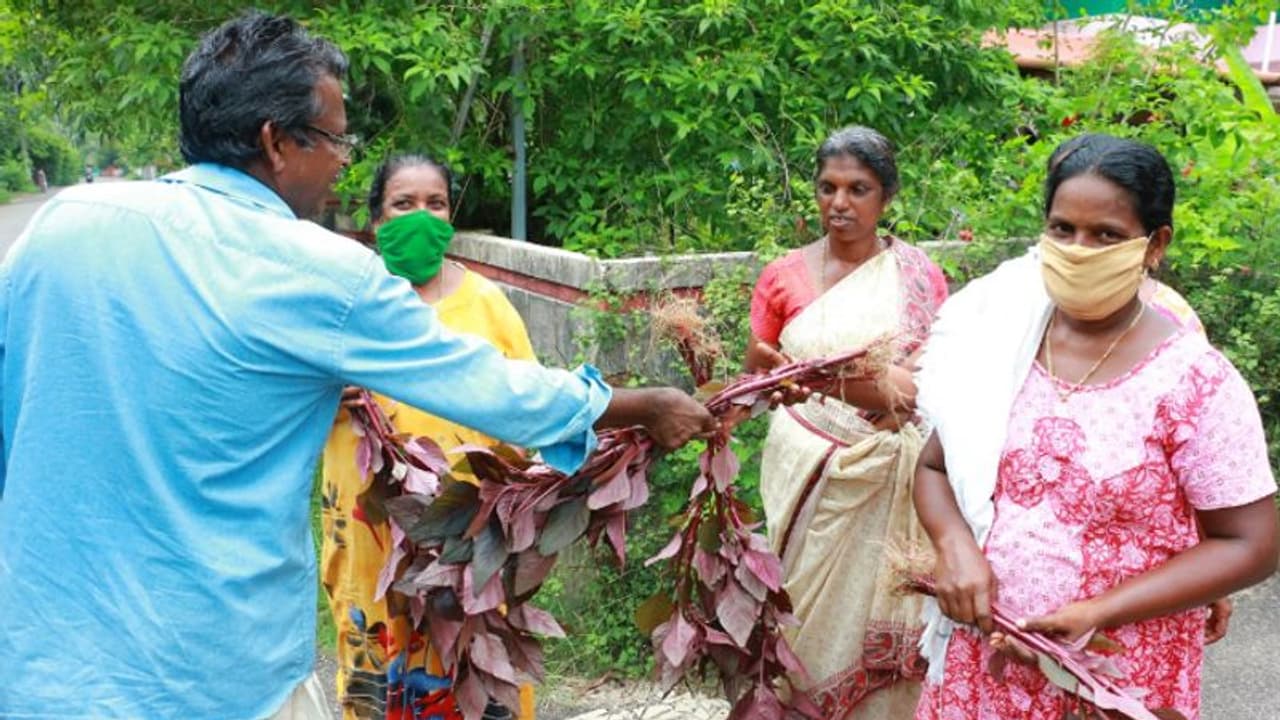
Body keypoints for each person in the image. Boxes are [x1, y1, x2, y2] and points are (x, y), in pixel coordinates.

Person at [0, 12, 715, 720]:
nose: (344, 161)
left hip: (44, 670)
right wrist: (640, 404)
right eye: (336, 139)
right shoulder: (315, 272)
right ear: (276, 143)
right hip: (220, 676)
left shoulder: (62, 227)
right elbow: (487, 383)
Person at [912, 134, 1277, 720]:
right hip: (983, 665)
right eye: (1063, 229)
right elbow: (934, 465)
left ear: (1154, 245)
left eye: (1105, 235)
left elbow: (1251, 544)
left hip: (1115, 674)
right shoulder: (1002, 347)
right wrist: (955, 547)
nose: (1078, 251)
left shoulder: (1195, 381)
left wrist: (1099, 611)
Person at [321, 153, 538, 720]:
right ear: (376, 218)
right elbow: (280, 401)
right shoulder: (342, 307)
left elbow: (529, 404)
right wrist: (324, 396)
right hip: (370, 532)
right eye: (404, 204)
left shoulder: (486, 304)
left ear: (450, 216)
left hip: (465, 532)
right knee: (380, 660)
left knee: (474, 664)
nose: (421, 216)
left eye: (435, 203)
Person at [746, 126, 949, 718]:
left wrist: (825, 380)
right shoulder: (783, 276)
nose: (840, 203)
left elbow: (925, 383)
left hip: (887, 473)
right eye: (827, 188)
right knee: (796, 615)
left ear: (886, 197)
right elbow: (758, 372)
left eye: (858, 189)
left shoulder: (918, 277)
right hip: (804, 472)